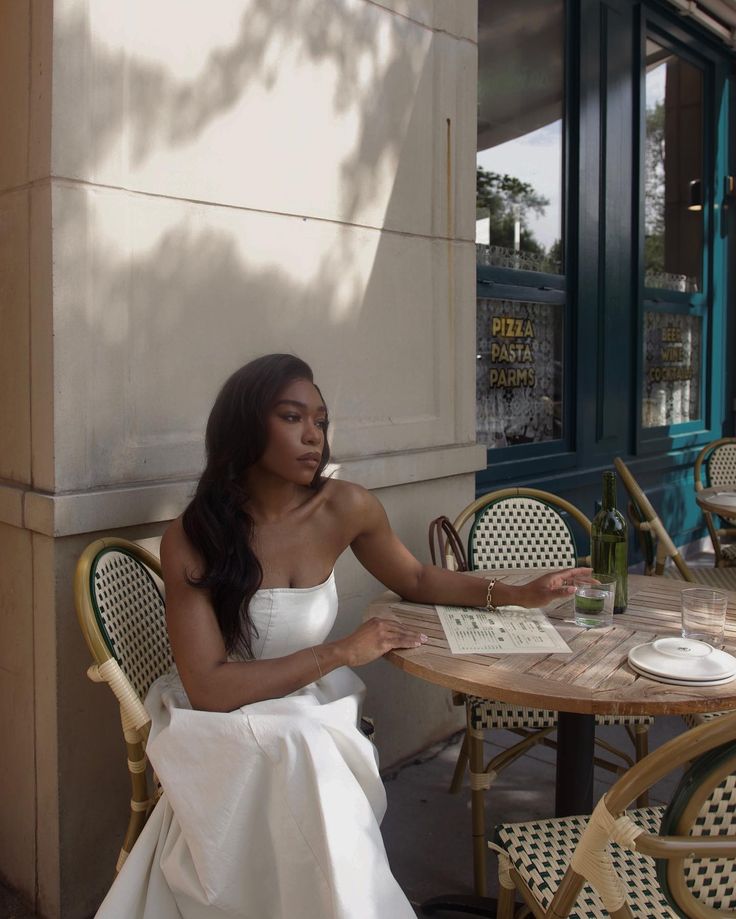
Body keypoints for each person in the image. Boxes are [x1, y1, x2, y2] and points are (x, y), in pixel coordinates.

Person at [95, 354, 587, 919]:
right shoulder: (195, 534)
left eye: (321, 421)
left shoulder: (345, 506)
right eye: (291, 417)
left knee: (304, 745)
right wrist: (343, 651)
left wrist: (518, 593)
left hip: (306, 704)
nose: (313, 436)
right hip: (223, 716)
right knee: (303, 749)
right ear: (245, 427)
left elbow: (418, 578)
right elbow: (208, 686)